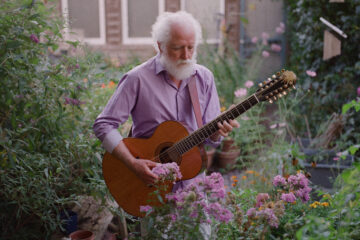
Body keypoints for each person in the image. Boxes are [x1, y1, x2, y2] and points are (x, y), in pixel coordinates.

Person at [93, 11, 239, 187]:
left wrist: (217, 133)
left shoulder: (204, 78)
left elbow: (210, 139)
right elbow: (103, 124)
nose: (186, 55)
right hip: (147, 185)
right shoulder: (137, 79)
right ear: (160, 46)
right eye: (178, 48)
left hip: (192, 189)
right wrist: (132, 163)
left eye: (191, 47)